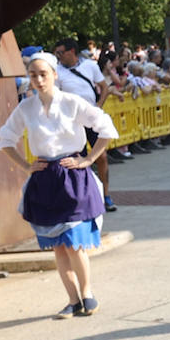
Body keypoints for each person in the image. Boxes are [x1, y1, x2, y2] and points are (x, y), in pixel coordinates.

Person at [0, 53, 118, 317]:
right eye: (33, 75)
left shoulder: (72, 102)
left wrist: (88, 159)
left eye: (43, 74)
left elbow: (105, 127)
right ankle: (73, 300)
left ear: (54, 74)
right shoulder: (26, 108)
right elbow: (5, 139)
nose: (38, 80)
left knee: (74, 242)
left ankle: (87, 293)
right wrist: (26, 165)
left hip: (72, 177)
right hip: (45, 179)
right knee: (59, 247)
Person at [52, 37, 115, 212]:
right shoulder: (57, 72)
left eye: (61, 52)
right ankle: (86, 198)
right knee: (78, 160)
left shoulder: (90, 65)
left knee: (101, 156)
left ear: (72, 51)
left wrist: (99, 106)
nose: (58, 56)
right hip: (72, 122)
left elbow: (104, 87)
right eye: (56, 53)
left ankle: (106, 195)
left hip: (92, 118)